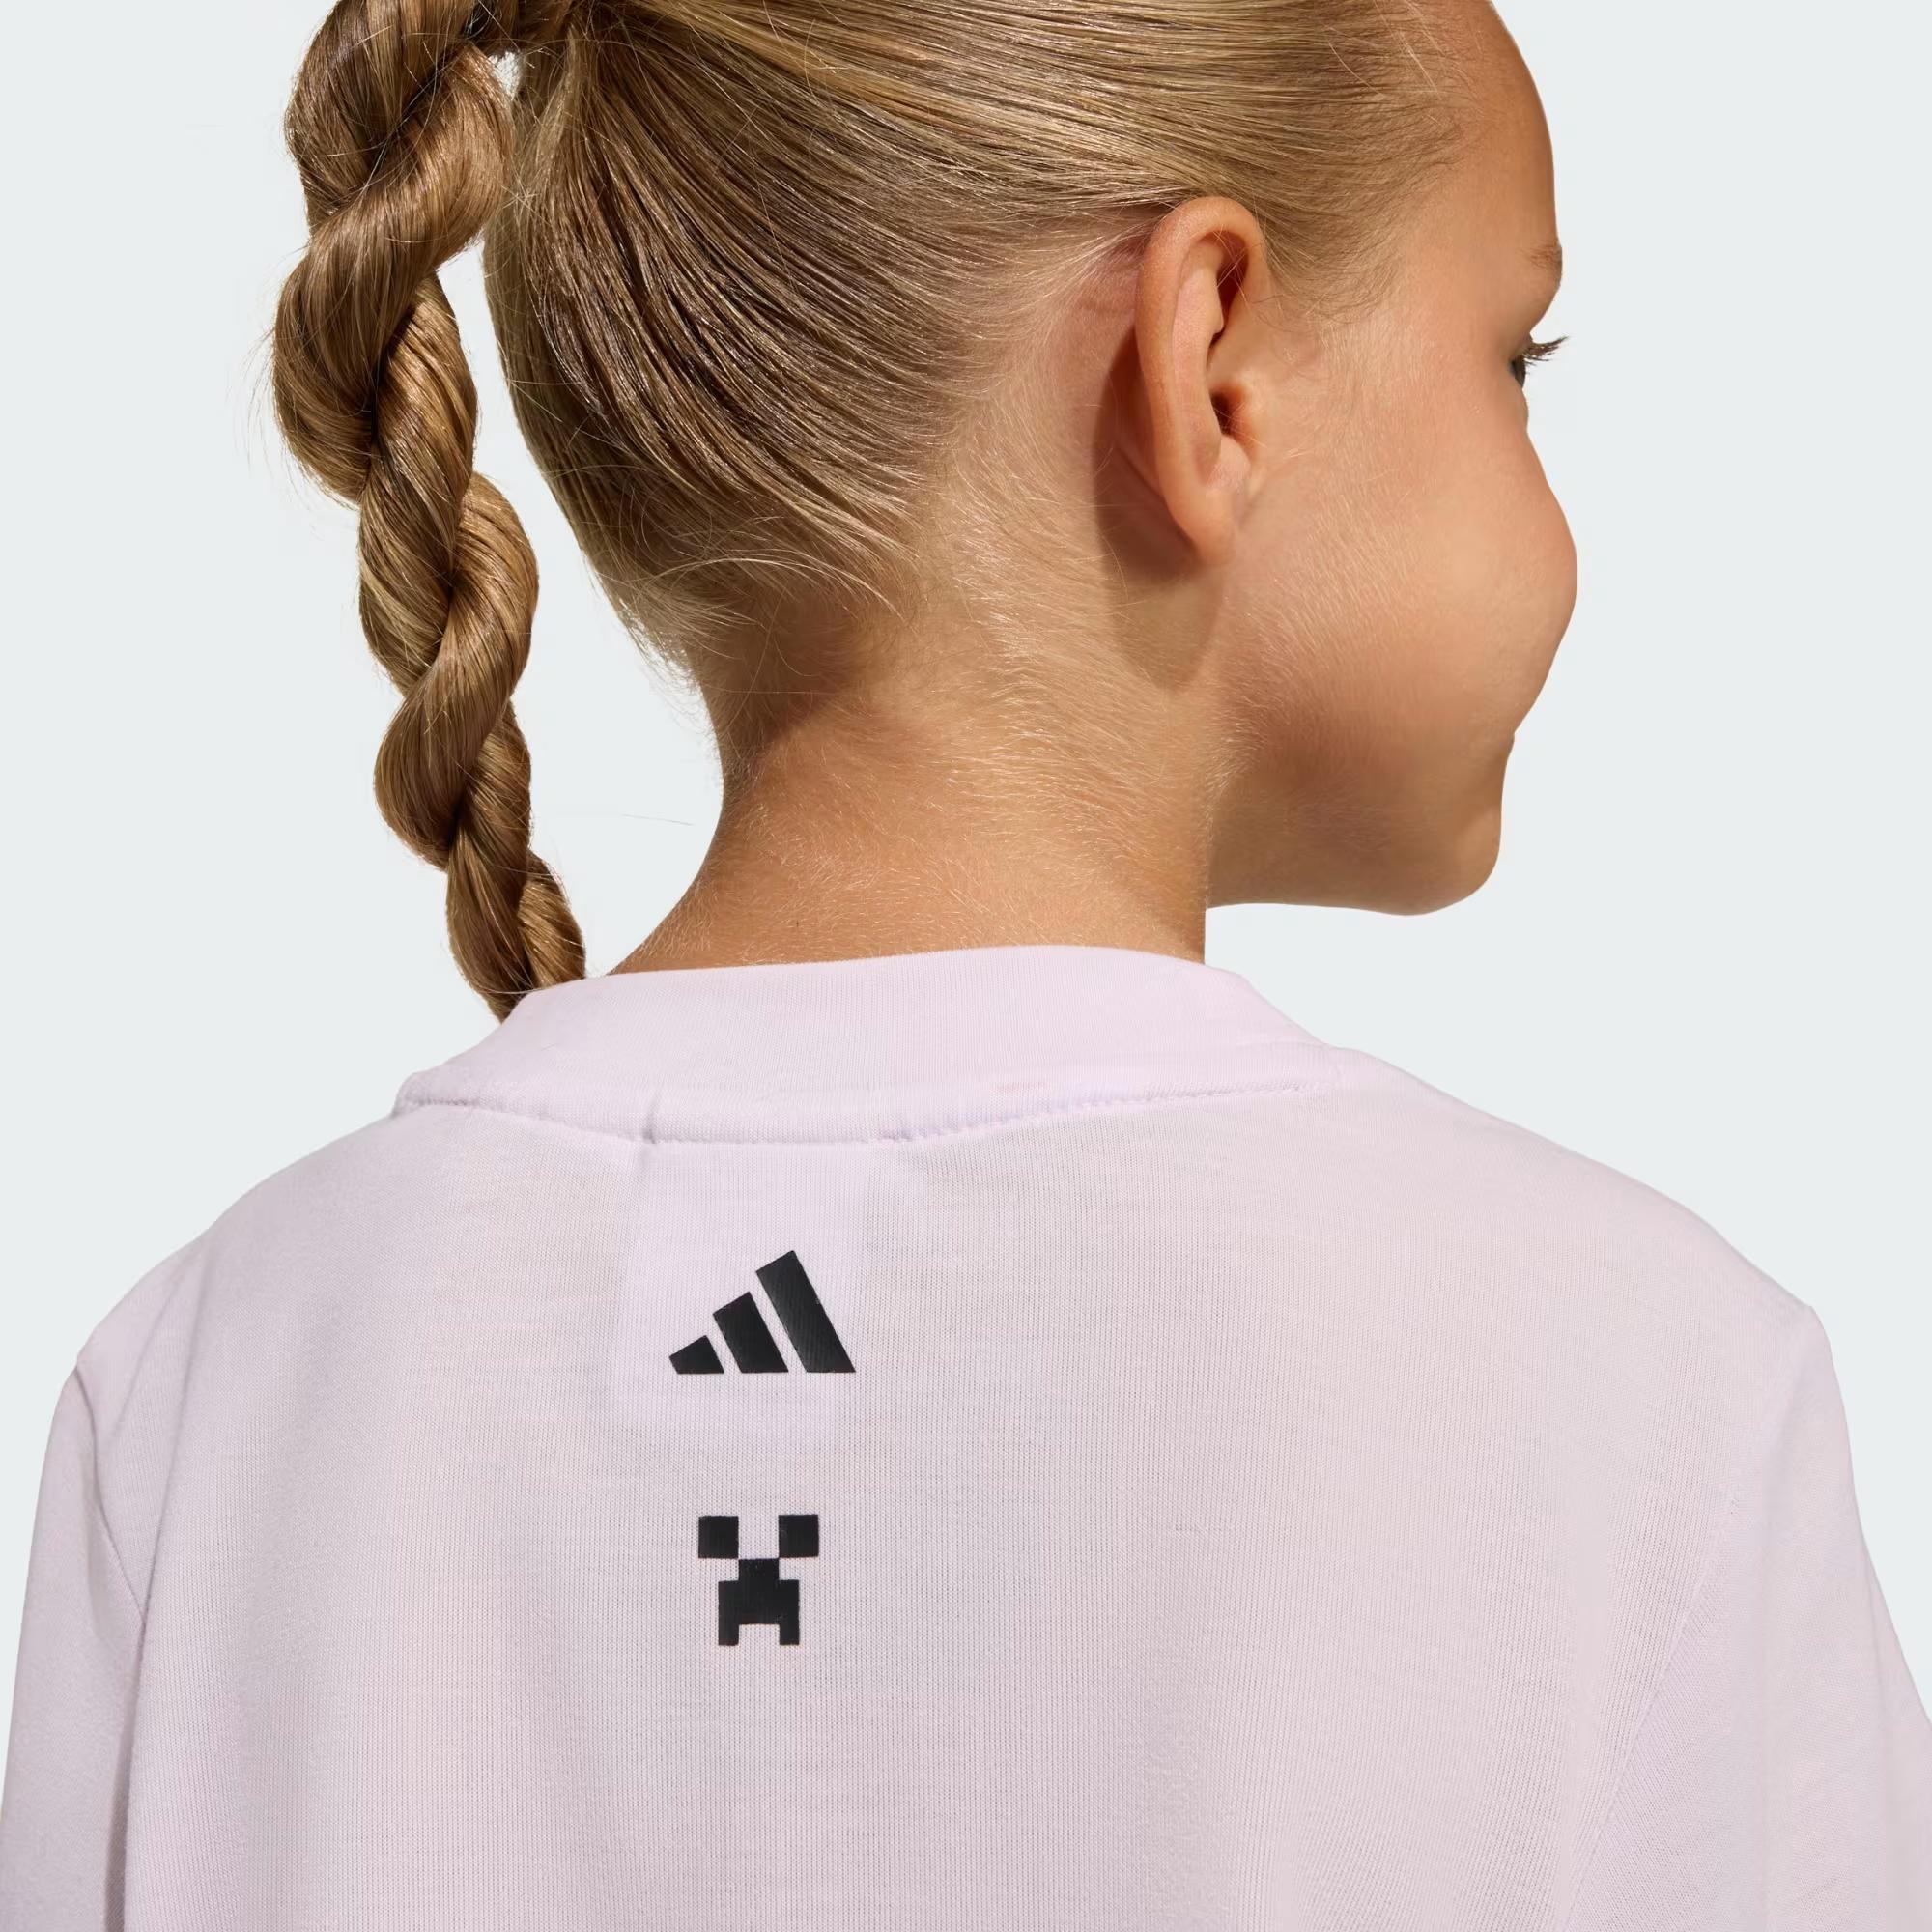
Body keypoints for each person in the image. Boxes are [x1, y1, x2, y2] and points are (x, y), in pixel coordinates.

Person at [2, 0, 1926, 1923]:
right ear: (1213, 367)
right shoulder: (1637, 1394)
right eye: (1516, 358)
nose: (1540, 457)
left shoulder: (214, 1389)